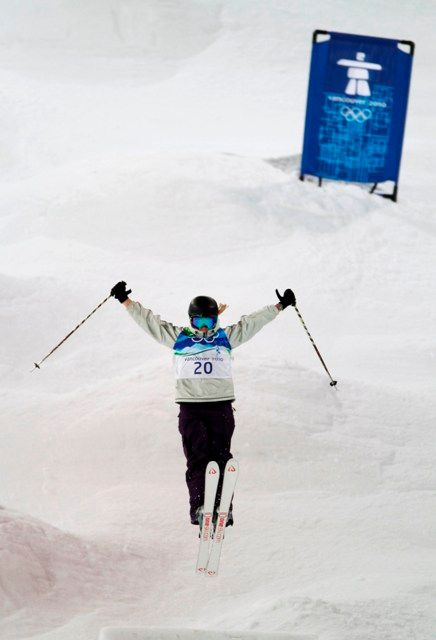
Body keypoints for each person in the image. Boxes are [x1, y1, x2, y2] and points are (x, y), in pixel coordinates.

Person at [111, 281, 296, 528]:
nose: (204, 328)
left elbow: (251, 323)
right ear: (191, 321)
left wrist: (279, 306)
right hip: (191, 408)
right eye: (198, 323)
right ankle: (200, 507)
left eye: (208, 322)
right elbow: (151, 323)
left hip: (220, 407)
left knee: (221, 458)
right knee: (198, 459)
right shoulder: (179, 338)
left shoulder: (225, 337)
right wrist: (126, 301)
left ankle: (223, 508)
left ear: (215, 321)